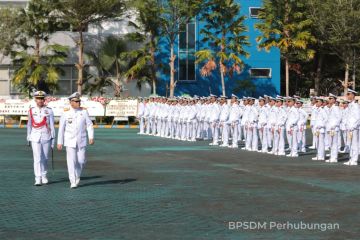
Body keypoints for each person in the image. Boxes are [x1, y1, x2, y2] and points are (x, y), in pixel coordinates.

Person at [57, 92, 94, 188]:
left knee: (81, 161)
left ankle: (77, 175)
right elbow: (61, 128)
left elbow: (89, 125)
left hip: (81, 140)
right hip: (69, 140)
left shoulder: (84, 112)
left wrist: (91, 137)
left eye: (79, 101)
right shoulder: (65, 112)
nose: (78, 103)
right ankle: (72, 181)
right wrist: (59, 142)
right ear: (71, 102)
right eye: (76, 101)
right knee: (71, 161)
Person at [27, 91, 55, 186]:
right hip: (35, 137)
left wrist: (53, 139)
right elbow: (29, 124)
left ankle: (44, 175)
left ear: (44, 100)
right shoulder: (31, 110)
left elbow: (52, 125)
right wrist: (28, 136)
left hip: (46, 136)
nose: (40, 100)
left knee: (45, 158)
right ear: (35, 99)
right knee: (37, 158)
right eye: (38, 98)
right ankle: (37, 178)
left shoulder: (49, 110)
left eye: (42, 99)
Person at [344, 89, 360, 166]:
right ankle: (351, 158)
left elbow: (357, 117)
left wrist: (353, 126)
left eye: (349, 94)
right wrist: (348, 125)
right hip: (349, 127)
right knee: (350, 143)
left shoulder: (355, 105)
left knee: (354, 144)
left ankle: (355, 159)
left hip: (354, 128)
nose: (348, 96)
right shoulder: (350, 105)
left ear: (353, 95)